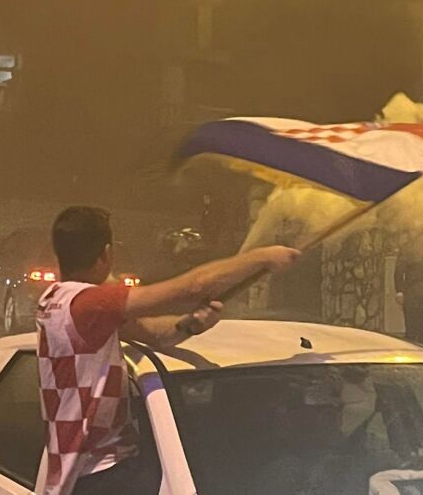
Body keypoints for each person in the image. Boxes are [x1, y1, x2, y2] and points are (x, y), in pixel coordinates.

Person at [37, 206, 299, 495]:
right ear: (106, 254)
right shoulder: (89, 304)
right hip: (101, 475)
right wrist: (263, 257)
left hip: (92, 473)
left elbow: (155, 335)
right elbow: (194, 286)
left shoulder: (59, 301)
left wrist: (190, 325)